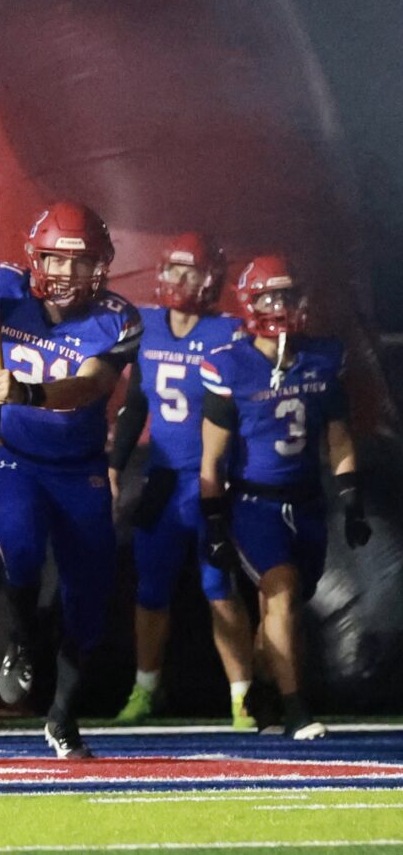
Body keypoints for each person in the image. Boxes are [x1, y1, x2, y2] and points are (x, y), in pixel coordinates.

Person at [0, 203, 143, 757]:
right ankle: (21, 643)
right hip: (19, 460)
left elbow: (91, 385)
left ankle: (63, 716)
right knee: (21, 555)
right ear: (37, 257)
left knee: (88, 597)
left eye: (82, 264)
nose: (70, 275)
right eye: (58, 260)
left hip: (81, 471)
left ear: (100, 266)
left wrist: (27, 393)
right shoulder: (6, 288)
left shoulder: (117, 317)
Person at [199, 256, 367, 741]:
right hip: (254, 504)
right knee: (282, 593)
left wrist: (351, 497)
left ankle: (263, 695)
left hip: (308, 501)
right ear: (247, 303)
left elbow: (338, 436)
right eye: (268, 297)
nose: (278, 306)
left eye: (286, 296)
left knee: (284, 606)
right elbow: (212, 459)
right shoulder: (230, 364)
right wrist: (214, 524)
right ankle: (297, 710)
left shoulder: (323, 357)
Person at [111, 233, 255, 728]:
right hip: (163, 478)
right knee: (150, 589)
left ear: (209, 279)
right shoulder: (146, 326)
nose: (175, 280)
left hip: (214, 480)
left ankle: (244, 696)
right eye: (170, 269)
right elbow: (135, 406)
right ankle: (146, 688)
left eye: (187, 271)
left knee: (220, 587)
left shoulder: (230, 332)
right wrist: (114, 465)